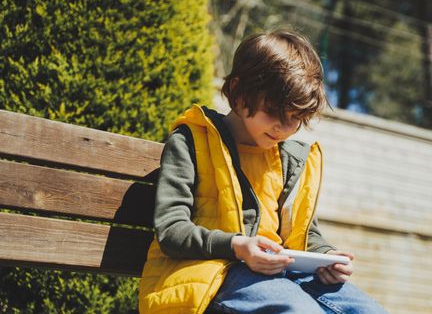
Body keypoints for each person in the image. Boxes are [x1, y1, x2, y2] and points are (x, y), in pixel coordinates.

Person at [139, 30, 388, 314]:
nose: (283, 128)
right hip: (210, 273)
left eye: (295, 118)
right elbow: (171, 231)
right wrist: (237, 246)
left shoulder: (289, 159)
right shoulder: (192, 140)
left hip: (281, 273)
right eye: (273, 112)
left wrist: (326, 257)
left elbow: (307, 235)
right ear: (239, 92)